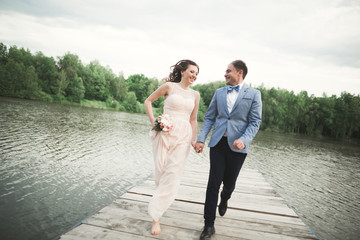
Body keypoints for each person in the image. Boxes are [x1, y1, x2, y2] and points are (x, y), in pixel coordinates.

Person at [194, 60, 262, 240]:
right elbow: (209, 118)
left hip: (238, 147)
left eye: (228, 71)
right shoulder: (219, 93)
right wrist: (201, 139)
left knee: (229, 184)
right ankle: (209, 225)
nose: (225, 74)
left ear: (239, 72)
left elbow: (255, 122)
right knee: (212, 185)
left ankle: (225, 198)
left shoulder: (254, 94)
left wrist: (244, 139)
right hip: (218, 144)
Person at [144, 59, 201, 235]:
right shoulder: (169, 86)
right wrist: (154, 122)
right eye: (192, 71)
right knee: (161, 172)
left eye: (197, 74)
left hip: (183, 136)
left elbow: (193, 119)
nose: (194, 76)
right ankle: (157, 215)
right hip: (164, 133)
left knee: (173, 173)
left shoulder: (195, 95)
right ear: (182, 71)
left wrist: (193, 140)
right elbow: (148, 101)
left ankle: (156, 217)